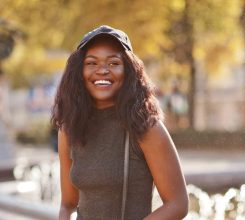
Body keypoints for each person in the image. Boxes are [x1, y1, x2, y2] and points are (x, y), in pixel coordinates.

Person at [51, 25, 188, 220]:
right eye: (91, 63)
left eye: (114, 63)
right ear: (79, 72)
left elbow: (178, 204)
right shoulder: (69, 129)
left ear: (129, 71)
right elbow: (68, 204)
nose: (102, 71)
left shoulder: (145, 127)